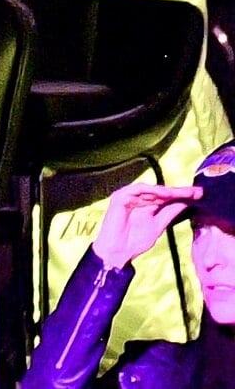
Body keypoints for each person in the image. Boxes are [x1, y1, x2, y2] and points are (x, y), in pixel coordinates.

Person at [26, 140, 235, 387]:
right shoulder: (157, 376)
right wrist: (108, 261)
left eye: (233, 233)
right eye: (199, 229)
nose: (210, 258)